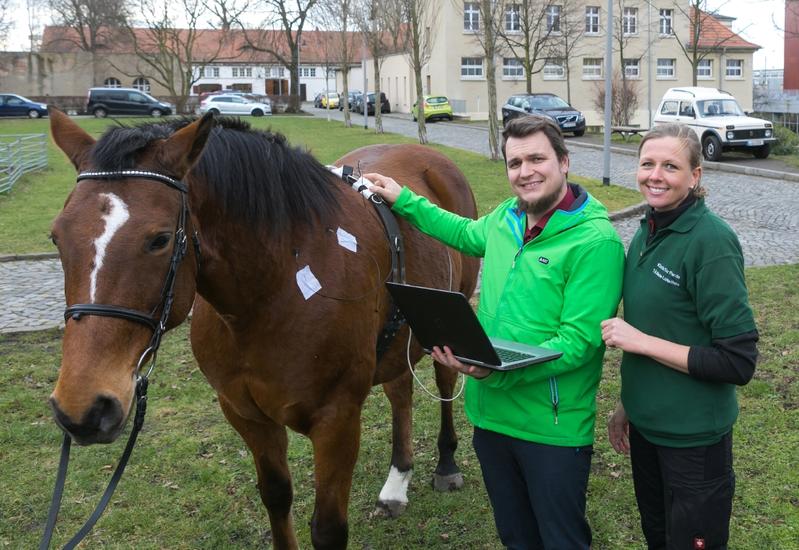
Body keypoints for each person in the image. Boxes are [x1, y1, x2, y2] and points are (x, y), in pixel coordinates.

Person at [366, 115, 624, 549]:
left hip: (551, 430)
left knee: (561, 540)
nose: (525, 172)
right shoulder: (507, 217)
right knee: (516, 537)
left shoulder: (595, 243)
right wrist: (403, 199)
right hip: (489, 421)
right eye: (515, 162)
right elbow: (464, 232)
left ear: (564, 162)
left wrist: (493, 370)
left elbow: (578, 344)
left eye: (537, 159)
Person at [601, 123, 758, 549]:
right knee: (658, 537)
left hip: (693, 441)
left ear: (695, 176)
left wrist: (639, 341)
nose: (655, 175)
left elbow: (737, 361)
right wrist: (627, 405)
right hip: (647, 432)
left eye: (671, 166)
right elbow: (662, 324)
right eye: (647, 163)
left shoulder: (712, 242)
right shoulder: (647, 229)